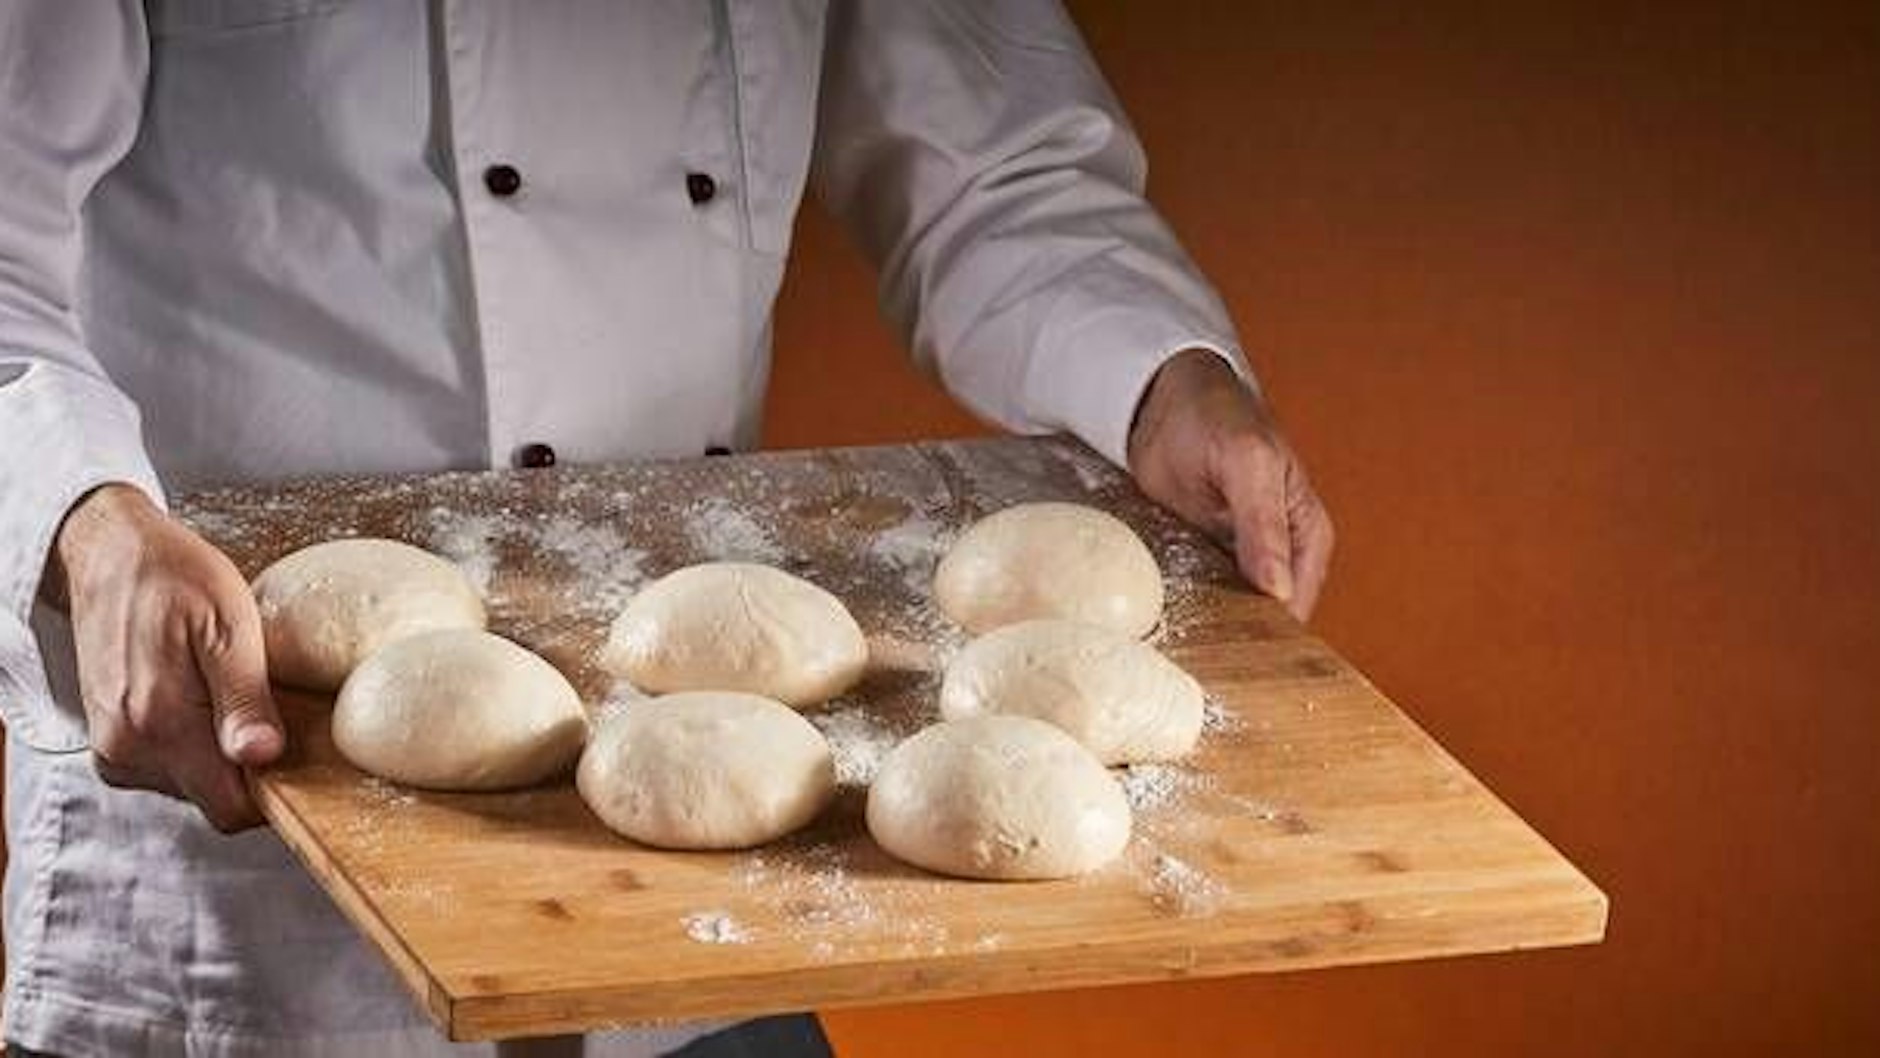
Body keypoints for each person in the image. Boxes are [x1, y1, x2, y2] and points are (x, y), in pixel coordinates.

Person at [0, 2, 1334, 1056]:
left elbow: (1000, 166)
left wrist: (1166, 378)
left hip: (699, 912)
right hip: (244, 892)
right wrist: (84, 519)